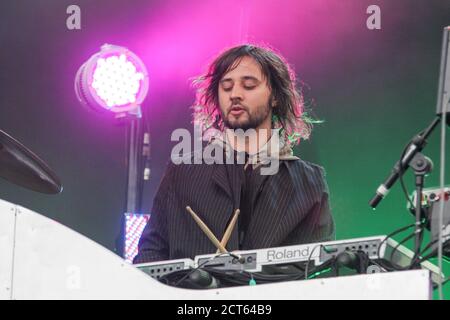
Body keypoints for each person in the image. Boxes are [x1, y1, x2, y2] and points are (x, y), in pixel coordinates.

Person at [134, 44, 334, 263]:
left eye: (249, 86)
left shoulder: (310, 183)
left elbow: (320, 270)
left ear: (275, 96)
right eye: (226, 87)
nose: (235, 95)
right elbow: (150, 258)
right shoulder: (182, 172)